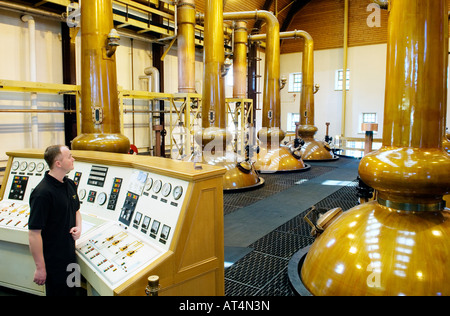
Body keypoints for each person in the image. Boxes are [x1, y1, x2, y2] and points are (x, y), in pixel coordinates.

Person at [28, 145, 82, 296]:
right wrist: (40, 268)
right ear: (58, 163)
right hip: (54, 262)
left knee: (73, 291)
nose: (73, 159)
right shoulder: (42, 194)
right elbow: (34, 233)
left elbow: (76, 210)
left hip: (70, 256)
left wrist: (79, 227)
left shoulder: (70, 184)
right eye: (69, 156)